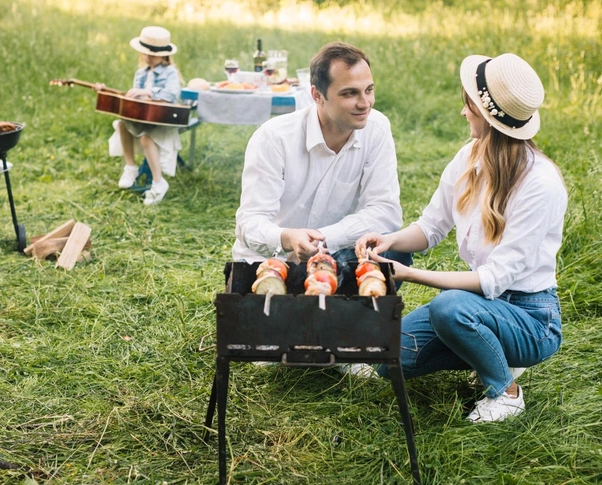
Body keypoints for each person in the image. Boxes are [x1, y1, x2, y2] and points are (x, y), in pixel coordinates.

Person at [355, 53, 567, 422]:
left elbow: (494, 279)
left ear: (486, 116)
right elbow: (430, 227)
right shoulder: (469, 157)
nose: (463, 112)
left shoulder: (539, 184)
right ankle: (487, 349)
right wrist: (388, 241)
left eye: (468, 105)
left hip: (531, 318)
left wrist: (408, 275)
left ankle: (506, 392)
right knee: (388, 359)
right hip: (481, 307)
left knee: (448, 307)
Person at [233, 42, 412, 377]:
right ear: (317, 95)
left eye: (369, 90)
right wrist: (287, 237)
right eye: (349, 94)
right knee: (280, 288)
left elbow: (386, 212)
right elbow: (249, 224)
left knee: (394, 254)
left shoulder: (377, 127)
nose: (365, 103)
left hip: (336, 257)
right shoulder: (274, 137)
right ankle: (284, 330)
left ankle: (346, 340)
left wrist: (323, 238)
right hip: (277, 261)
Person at [97, 26, 182, 205]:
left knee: (145, 138)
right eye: (145, 53)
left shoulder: (170, 73)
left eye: (152, 54)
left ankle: (159, 182)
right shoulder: (140, 73)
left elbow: (172, 94)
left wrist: (148, 92)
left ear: (163, 55)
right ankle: (131, 167)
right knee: (121, 124)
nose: (147, 57)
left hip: (162, 120)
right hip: (143, 118)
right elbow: (137, 103)